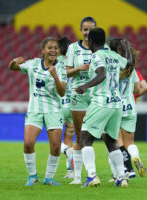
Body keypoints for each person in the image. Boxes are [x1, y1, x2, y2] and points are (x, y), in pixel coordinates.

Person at [75, 27, 132, 187]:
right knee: (111, 141)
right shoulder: (114, 55)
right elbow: (128, 62)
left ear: (90, 41)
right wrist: (126, 47)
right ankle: (121, 177)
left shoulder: (96, 56)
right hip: (116, 103)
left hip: (102, 101)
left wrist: (85, 86)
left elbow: (101, 74)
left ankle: (92, 176)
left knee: (85, 138)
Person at [8, 37, 67, 186]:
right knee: (28, 143)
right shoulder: (33, 64)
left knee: (55, 146)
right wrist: (14, 61)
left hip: (53, 110)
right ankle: (32, 176)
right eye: (50, 47)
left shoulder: (61, 68)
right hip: (35, 109)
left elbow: (62, 92)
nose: (53, 50)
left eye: (55, 48)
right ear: (43, 50)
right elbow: (12, 67)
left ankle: (49, 178)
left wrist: (55, 76)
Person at [108, 38, 147, 180]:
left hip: (115, 106)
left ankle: (121, 172)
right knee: (129, 143)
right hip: (130, 106)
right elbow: (139, 88)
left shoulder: (112, 67)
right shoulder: (131, 68)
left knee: (116, 142)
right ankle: (135, 156)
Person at [65, 16, 97, 184]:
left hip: (96, 96)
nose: (87, 33)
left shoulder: (101, 48)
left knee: (107, 136)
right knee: (79, 137)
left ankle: (116, 174)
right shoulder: (72, 48)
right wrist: (79, 68)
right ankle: (77, 177)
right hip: (78, 94)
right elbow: (66, 72)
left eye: (91, 30)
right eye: (85, 29)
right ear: (81, 30)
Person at [57, 37, 75, 179]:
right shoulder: (74, 61)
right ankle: (71, 171)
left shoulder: (56, 61)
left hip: (59, 103)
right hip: (74, 103)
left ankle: (67, 151)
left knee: (55, 140)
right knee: (69, 136)